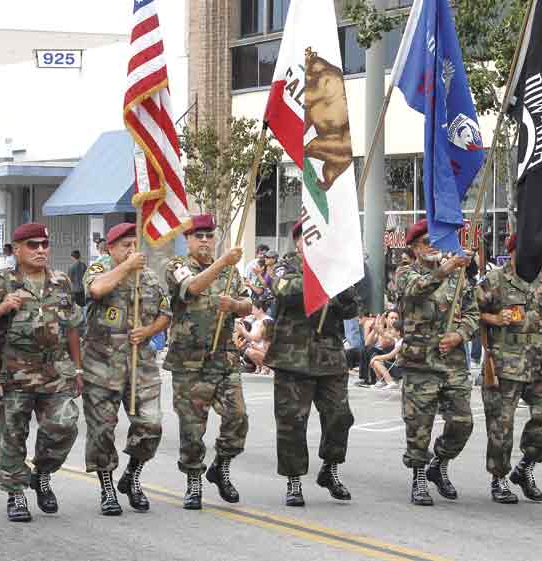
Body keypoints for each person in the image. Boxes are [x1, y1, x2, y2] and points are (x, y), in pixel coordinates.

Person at [0, 223, 83, 523]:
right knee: (12, 435)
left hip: (55, 371)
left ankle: (42, 473)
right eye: (33, 245)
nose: (41, 250)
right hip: (13, 374)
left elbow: (71, 327)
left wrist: (78, 368)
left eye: (44, 244)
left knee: (65, 425)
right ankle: (16, 493)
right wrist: (2, 307)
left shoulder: (61, 282)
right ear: (17, 250)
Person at [265, 221, 356, 507]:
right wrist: (320, 275)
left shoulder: (334, 268)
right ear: (298, 241)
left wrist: (339, 278)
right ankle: (294, 481)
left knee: (340, 417)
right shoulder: (285, 266)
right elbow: (286, 292)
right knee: (292, 423)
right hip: (293, 359)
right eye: (310, 239)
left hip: (329, 357)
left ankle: (330, 468)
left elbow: (351, 305)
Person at [82, 223, 171, 516]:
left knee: (151, 426)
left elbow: (165, 313)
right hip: (101, 366)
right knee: (102, 431)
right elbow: (97, 290)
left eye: (134, 245)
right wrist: (126, 267)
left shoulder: (149, 278)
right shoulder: (99, 270)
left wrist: (148, 331)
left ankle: (132, 475)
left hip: (140, 366)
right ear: (110, 249)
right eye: (124, 246)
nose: (132, 250)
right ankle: (107, 487)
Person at [164, 214, 250, 510]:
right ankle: (193, 480)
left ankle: (221, 466)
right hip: (189, 362)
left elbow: (248, 303)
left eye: (209, 236)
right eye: (198, 236)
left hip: (223, 358)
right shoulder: (177, 266)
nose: (204, 240)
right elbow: (192, 288)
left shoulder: (231, 272)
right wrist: (223, 262)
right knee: (192, 427)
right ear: (187, 240)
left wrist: (235, 306)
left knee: (238, 417)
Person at [477, 234, 542, 505]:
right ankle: (499, 478)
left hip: (538, 363)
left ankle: (525, 467)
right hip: (504, 362)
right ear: (515, 251)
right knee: (501, 426)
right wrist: (494, 317)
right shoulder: (495, 280)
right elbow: (470, 311)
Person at [396, 219, 478, 506]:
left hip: (452, 363)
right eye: (427, 243)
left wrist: (459, 334)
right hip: (420, 364)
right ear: (415, 248)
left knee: (462, 422)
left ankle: (439, 462)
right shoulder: (406, 274)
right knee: (419, 426)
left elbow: (473, 313)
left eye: (437, 242)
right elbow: (416, 290)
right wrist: (447, 268)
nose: (434, 248)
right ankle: (419, 476)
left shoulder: (459, 277)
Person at [370, 320, 404, 389]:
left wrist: (375, 358)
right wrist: (377, 328)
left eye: (393, 329)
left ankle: (390, 382)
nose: (391, 331)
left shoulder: (401, 343)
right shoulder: (397, 339)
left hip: (400, 369)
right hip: (397, 367)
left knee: (376, 362)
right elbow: (384, 334)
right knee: (375, 361)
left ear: (398, 332)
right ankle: (382, 381)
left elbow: (390, 356)